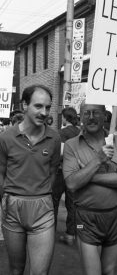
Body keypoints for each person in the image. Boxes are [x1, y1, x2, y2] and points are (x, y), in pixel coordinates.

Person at [63, 102, 117, 275]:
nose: (91, 117)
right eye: (86, 113)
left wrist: (89, 176)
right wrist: (98, 160)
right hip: (86, 218)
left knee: (109, 271)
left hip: (115, 215)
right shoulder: (72, 145)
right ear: (80, 116)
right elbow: (71, 183)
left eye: (96, 113)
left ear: (105, 116)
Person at [0, 84, 61, 275]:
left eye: (48, 107)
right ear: (25, 105)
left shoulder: (54, 138)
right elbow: (1, 172)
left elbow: (52, 172)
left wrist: (44, 198)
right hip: (12, 208)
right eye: (38, 106)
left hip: (42, 210)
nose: (44, 112)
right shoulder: (6, 137)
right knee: (16, 269)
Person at [58, 106, 80, 245]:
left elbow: (61, 152)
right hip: (77, 171)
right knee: (73, 204)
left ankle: (47, 233)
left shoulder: (63, 132)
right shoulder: (80, 132)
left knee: (53, 202)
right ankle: (71, 234)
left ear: (65, 118)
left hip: (62, 170)